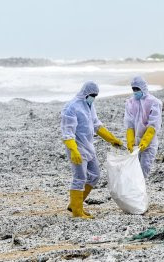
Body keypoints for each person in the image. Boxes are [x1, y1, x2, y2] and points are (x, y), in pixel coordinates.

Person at [61, 81, 123, 219]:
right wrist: (73, 150)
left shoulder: (90, 105)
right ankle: (77, 212)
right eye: (92, 95)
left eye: (95, 95)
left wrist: (112, 139)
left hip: (88, 146)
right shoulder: (71, 108)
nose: (93, 97)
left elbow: (96, 124)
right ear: (85, 93)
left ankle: (75, 204)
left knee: (94, 176)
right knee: (80, 177)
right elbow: (67, 133)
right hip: (76, 147)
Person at [124, 76, 163, 178]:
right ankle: (134, 192)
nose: (135, 91)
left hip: (149, 143)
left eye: (137, 89)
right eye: (134, 89)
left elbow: (153, 125)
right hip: (136, 143)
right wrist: (130, 140)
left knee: (143, 170)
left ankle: (140, 193)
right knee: (134, 171)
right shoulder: (130, 103)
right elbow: (129, 124)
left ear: (143, 88)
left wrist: (145, 141)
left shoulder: (154, 102)